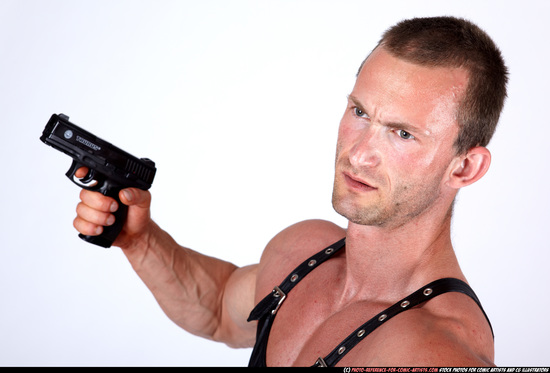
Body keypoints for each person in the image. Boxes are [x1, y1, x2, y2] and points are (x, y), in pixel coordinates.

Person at [73, 16, 508, 366]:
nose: (359, 154)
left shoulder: (436, 349)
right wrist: (139, 240)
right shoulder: (303, 250)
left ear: (465, 167)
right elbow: (221, 308)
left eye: (402, 134)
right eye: (360, 111)